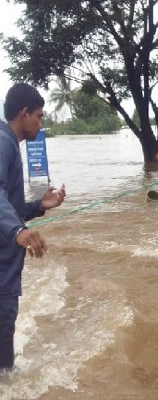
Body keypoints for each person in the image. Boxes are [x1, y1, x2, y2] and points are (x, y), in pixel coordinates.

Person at [0, 83, 66, 371]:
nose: (40, 122)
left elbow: (10, 206)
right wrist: (17, 231)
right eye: (38, 116)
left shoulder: (9, 145)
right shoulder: (3, 143)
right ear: (24, 114)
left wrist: (39, 206)